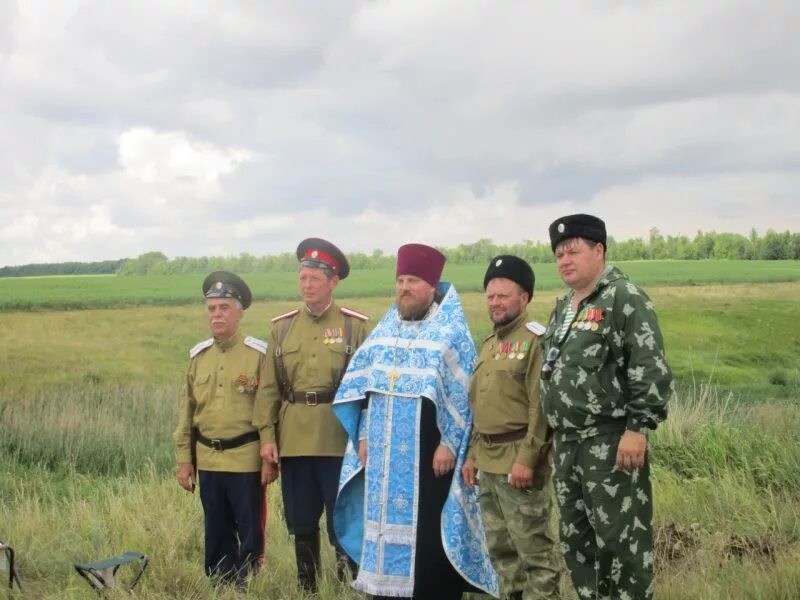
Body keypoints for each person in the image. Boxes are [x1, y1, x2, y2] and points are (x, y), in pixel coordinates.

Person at [332, 243, 499, 599]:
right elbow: (362, 387)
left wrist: (449, 443)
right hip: (382, 460)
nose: (404, 288)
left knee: (427, 545)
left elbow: (464, 395)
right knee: (381, 535)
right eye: (400, 280)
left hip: (429, 460)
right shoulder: (385, 329)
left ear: (431, 287)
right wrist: (362, 434)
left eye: (413, 281)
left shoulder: (450, 332)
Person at [540, 214, 673, 600]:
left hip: (610, 442)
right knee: (577, 542)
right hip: (568, 445)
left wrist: (637, 429)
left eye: (573, 251)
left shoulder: (623, 297)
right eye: (559, 253)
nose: (564, 259)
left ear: (599, 251)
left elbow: (649, 366)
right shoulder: (564, 306)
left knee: (620, 544)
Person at [255, 238, 369, 593]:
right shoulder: (283, 328)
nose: (307, 285)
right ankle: (308, 588)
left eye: (315, 279)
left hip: (340, 439)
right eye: (303, 278)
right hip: (295, 441)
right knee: (301, 521)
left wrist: (365, 436)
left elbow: (368, 391)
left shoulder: (355, 327)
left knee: (342, 520)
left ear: (333, 282)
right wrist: (267, 437)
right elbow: (269, 388)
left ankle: (346, 585)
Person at [462, 255, 560, 600]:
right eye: (490, 296)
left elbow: (541, 406)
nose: (496, 302)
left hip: (519, 463)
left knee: (535, 556)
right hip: (488, 463)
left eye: (503, 295)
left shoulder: (536, 342)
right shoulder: (488, 345)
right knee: (502, 556)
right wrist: (473, 455)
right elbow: (481, 407)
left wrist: (527, 459)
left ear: (524, 298)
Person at [173, 271, 273, 585]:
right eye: (212, 309)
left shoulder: (258, 355)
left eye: (224, 308)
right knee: (215, 526)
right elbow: (187, 411)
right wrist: (184, 459)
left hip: (245, 458)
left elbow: (268, 408)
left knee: (249, 528)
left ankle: (249, 584)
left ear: (240, 312)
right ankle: (220, 583)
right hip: (208, 458)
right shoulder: (198, 357)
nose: (217, 315)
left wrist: (269, 458)